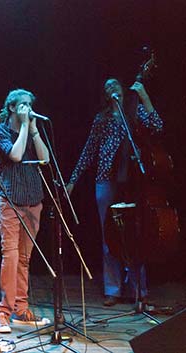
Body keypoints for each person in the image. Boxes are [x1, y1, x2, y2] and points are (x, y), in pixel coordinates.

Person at [66, 78, 163, 306]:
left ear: (122, 90)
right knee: (109, 235)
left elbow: (158, 125)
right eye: (107, 87)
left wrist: (145, 97)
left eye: (115, 85)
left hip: (131, 182)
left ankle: (138, 289)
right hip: (105, 180)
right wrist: (73, 180)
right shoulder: (102, 119)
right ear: (105, 95)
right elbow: (89, 151)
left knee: (135, 234)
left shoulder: (133, 112)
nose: (112, 89)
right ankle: (113, 288)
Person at [0, 88, 50, 334]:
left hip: (34, 200)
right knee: (11, 256)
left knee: (24, 259)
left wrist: (33, 129)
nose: (28, 108)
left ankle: (21, 309)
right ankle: (3, 311)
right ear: (12, 107)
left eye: (30, 104)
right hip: (11, 201)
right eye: (23, 104)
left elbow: (45, 159)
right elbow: (15, 155)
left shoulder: (31, 129)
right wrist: (25, 126)